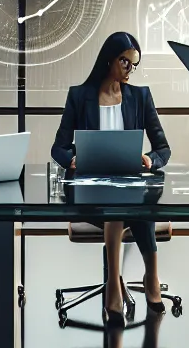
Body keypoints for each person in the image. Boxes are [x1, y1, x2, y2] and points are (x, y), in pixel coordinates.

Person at [51, 31, 173, 323]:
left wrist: (148, 159)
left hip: (129, 189)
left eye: (134, 65)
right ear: (110, 58)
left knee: (131, 202)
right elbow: (58, 148)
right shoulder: (79, 96)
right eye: (126, 62)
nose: (130, 70)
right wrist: (73, 159)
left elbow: (163, 149)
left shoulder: (140, 97)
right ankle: (118, 286)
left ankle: (143, 278)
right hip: (90, 194)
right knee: (124, 207)